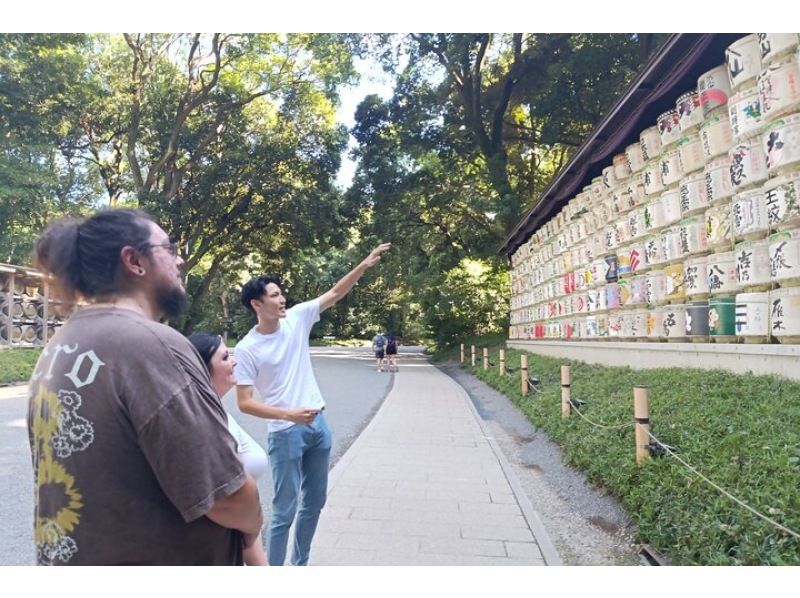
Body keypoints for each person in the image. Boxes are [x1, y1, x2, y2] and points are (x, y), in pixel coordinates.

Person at [27, 208, 263, 565]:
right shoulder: (150, 345)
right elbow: (226, 495)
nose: (180, 259)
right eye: (168, 248)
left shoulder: (62, 343)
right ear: (134, 260)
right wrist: (254, 520)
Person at [235, 242, 391, 566]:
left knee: (315, 502)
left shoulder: (296, 318)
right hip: (286, 432)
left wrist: (364, 264)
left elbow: (335, 292)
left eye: (281, 294)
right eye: (275, 295)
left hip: (319, 426)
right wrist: (287, 414)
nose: (282, 300)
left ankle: (300, 565)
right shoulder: (248, 348)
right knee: (284, 511)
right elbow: (245, 403)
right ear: (256, 303)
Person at [188, 332, 269, 566]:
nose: (233, 361)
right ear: (202, 369)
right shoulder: (204, 420)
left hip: (233, 537)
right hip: (223, 541)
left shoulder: (214, 410)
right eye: (225, 358)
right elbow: (227, 501)